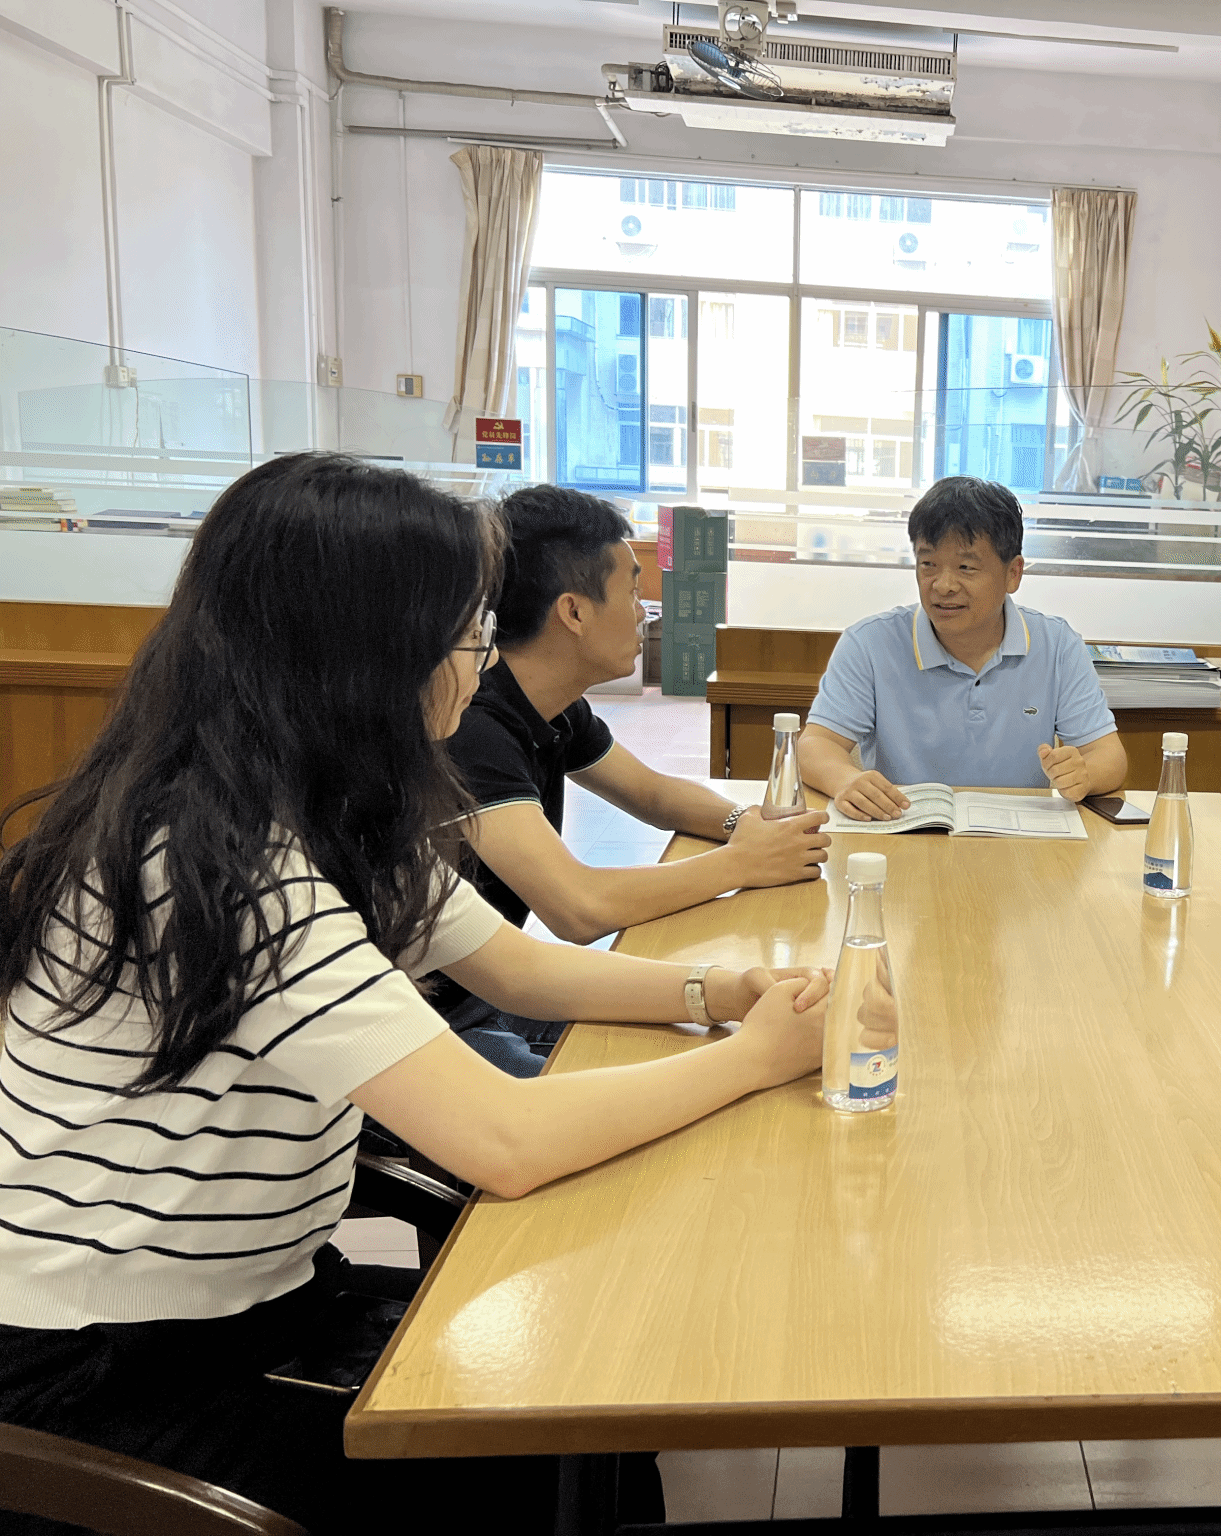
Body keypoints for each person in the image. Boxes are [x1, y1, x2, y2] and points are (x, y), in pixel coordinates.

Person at [0, 455, 830, 1535]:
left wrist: (721, 988)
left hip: (253, 1299)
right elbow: (504, 1140)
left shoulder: (328, 807)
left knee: (591, 1412)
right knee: (553, 1446)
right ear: (367, 654)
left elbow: (516, 965)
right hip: (100, 1366)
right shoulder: (228, 865)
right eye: (466, 630)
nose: (480, 656)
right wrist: (755, 1057)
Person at [438, 483, 830, 1077]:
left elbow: (651, 792)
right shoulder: (471, 727)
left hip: (497, 985)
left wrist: (746, 825)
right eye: (632, 590)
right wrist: (742, 863)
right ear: (573, 612)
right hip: (443, 1014)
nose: (645, 611)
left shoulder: (551, 703)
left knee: (701, 1036)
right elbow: (577, 908)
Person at [797, 476, 1127, 820]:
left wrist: (1084, 775)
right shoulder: (869, 643)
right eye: (928, 564)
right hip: (905, 831)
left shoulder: (1057, 644)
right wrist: (846, 780)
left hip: (1019, 839)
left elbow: (1108, 755)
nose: (943, 586)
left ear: (1013, 574)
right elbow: (816, 744)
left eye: (966, 567)